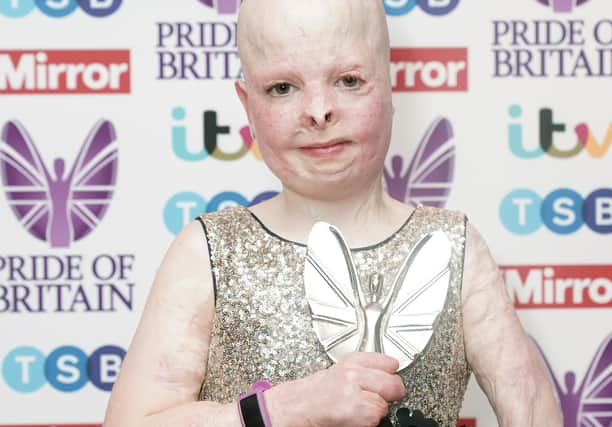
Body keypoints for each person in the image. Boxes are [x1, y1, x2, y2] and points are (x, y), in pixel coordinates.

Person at [104, 1, 562, 426]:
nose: (319, 111)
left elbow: (530, 404)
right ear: (247, 105)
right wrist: (286, 407)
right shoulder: (206, 250)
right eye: (282, 88)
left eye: (347, 81)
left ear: (388, 83)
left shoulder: (452, 246)